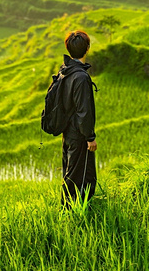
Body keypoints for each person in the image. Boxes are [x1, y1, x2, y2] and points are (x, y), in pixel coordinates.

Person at [60, 30, 97, 208]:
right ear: (87, 48)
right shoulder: (81, 77)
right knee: (79, 179)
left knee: (71, 174)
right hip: (79, 135)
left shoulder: (65, 71)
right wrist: (90, 137)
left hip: (68, 133)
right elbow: (84, 111)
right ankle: (70, 215)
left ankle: (74, 212)